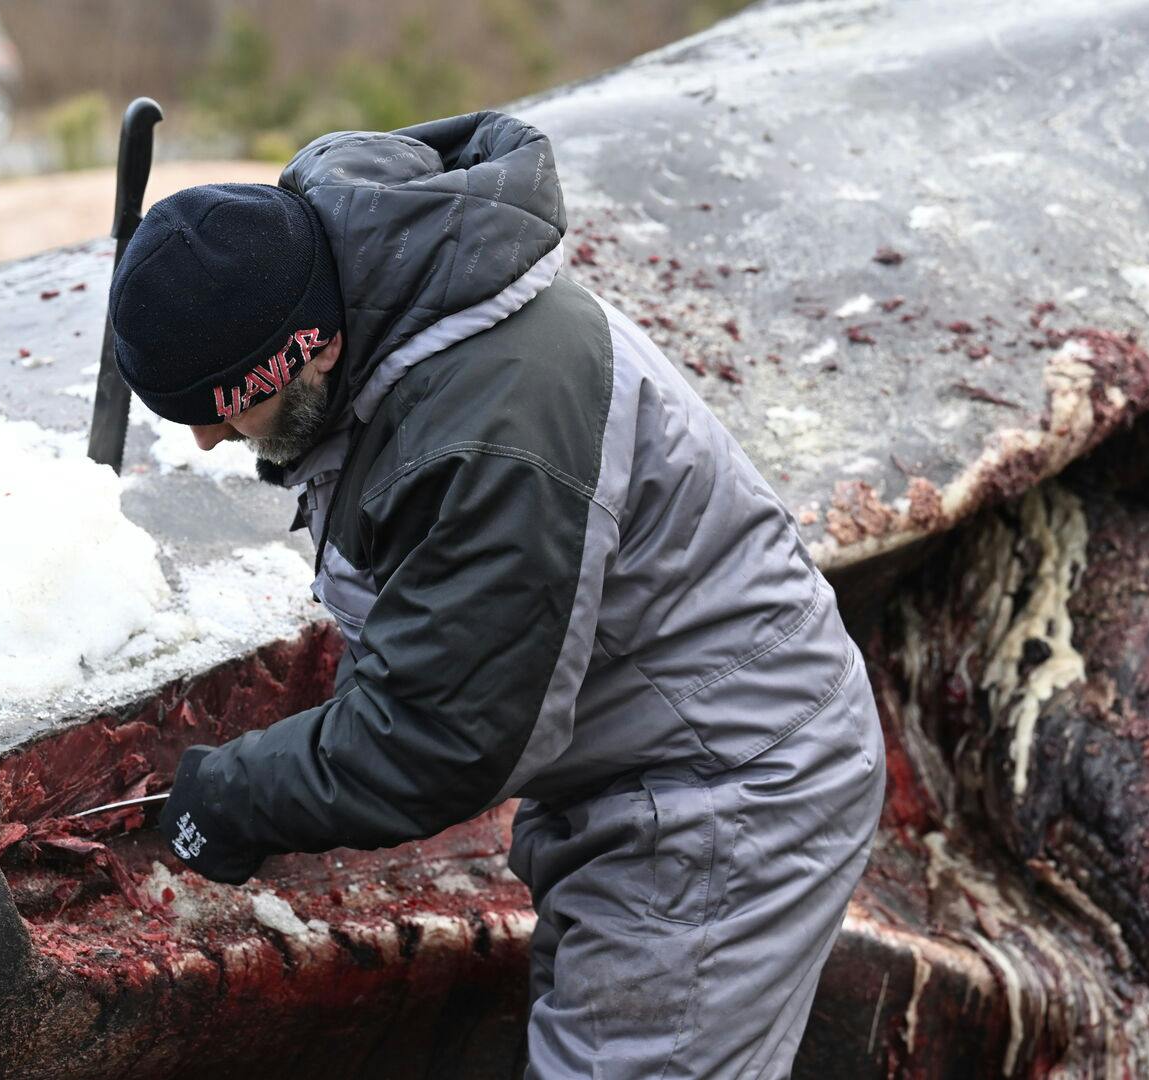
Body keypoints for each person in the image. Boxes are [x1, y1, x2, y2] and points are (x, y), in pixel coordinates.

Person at [107, 111, 886, 1078]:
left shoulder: (489, 428)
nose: (210, 444)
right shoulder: (385, 314)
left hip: (723, 789)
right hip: (635, 761)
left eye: (225, 409)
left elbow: (440, 738)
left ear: (296, 348)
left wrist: (236, 798)